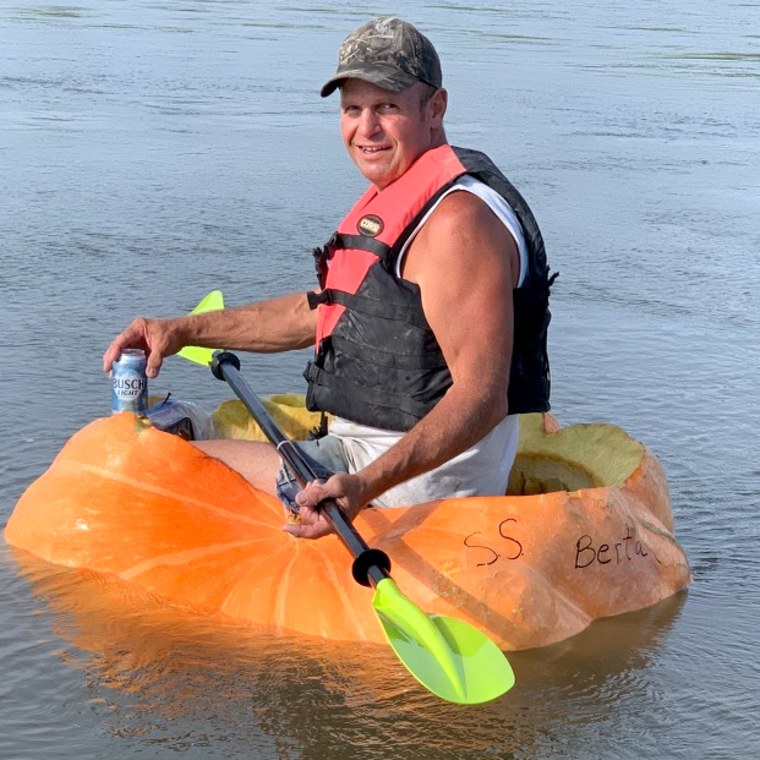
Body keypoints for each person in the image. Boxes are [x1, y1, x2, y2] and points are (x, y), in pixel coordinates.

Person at [102, 16, 554, 540]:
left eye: (386, 106)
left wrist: (363, 484)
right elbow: (328, 311)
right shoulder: (407, 191)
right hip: (363, 457)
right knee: (175, 421)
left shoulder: (457, 224)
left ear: (435, 108)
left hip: (407, 489)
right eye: (352, 109)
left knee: (143, 458)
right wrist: (182, 330)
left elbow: (482, 398)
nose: (366, 129)